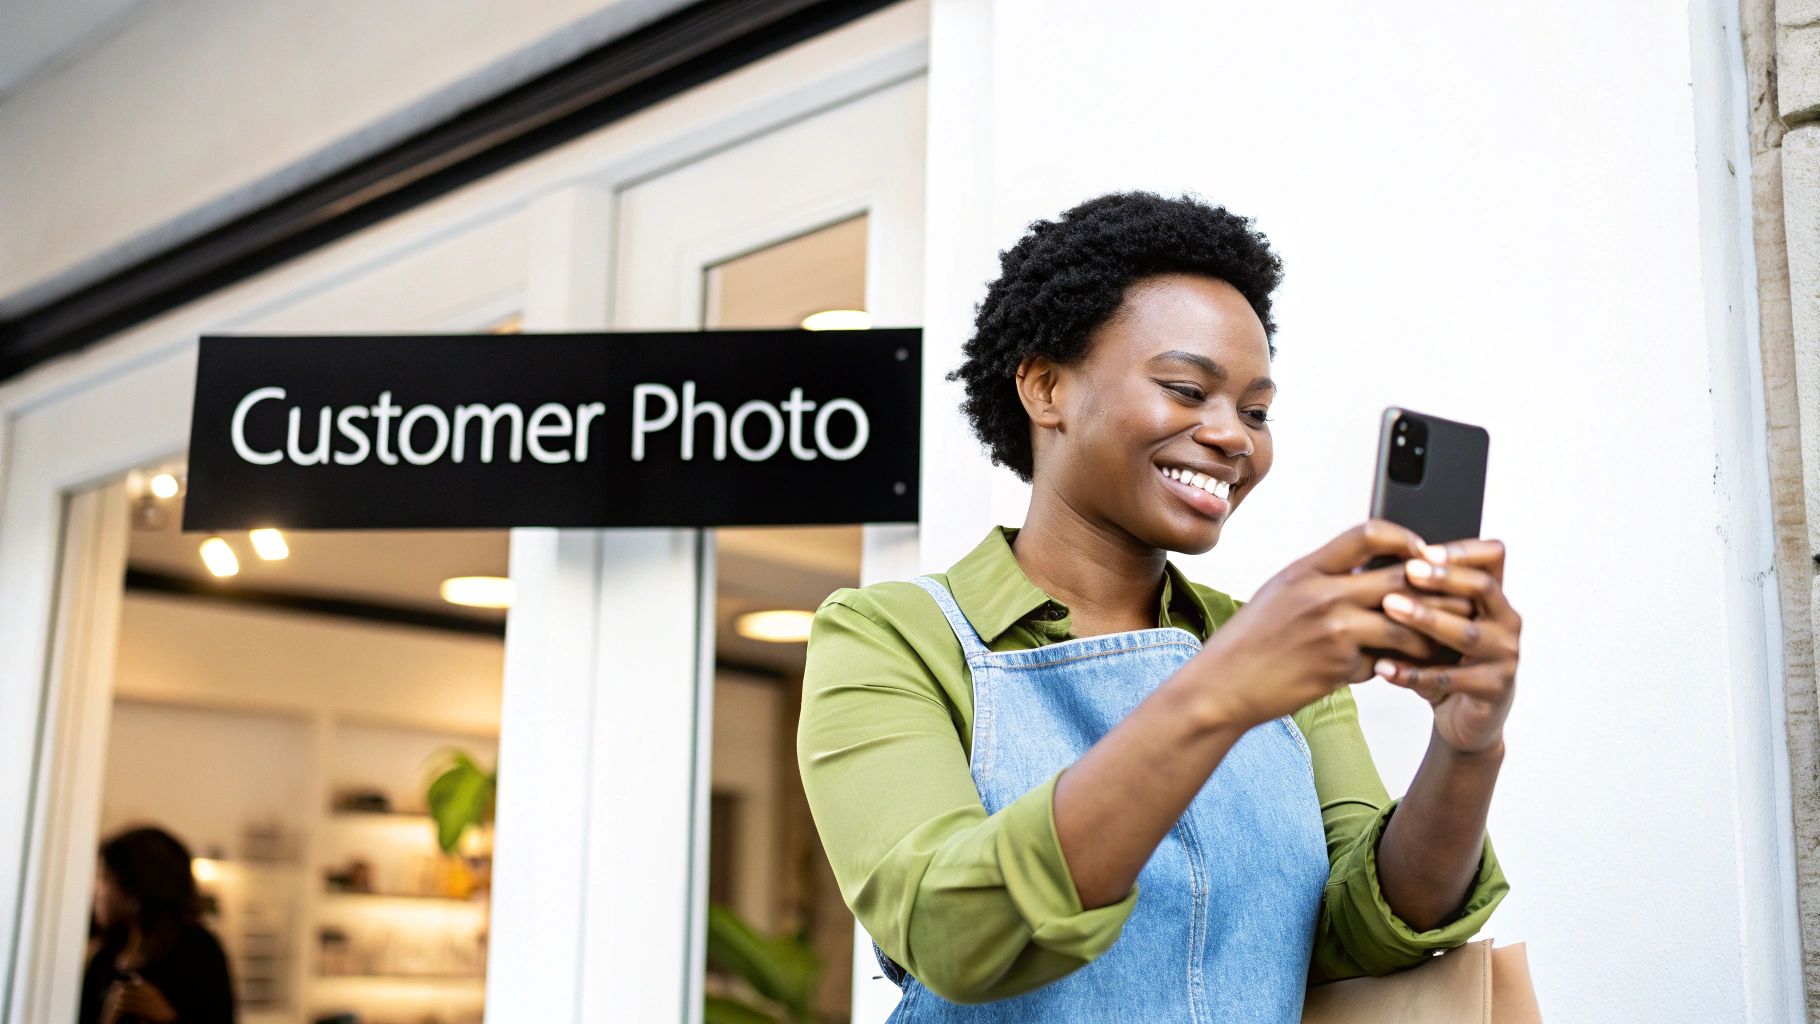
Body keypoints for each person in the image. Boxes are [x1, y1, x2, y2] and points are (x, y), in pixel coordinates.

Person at [796, 192, 1520, 1022]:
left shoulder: (1277, 649)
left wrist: (1467, 748)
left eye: (1255, 411)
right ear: (1044, 388)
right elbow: (951, 931)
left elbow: (1361, 928)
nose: (1234, 437)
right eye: (1185, 389)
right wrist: (1222, 692)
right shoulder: (892, 638)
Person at [79, 826, 236, 1024]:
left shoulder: (198, 951)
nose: (97, 890)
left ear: (134, 892)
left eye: (105, 878)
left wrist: (167, 1018)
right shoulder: (107, 954)